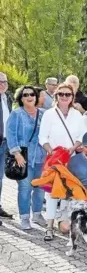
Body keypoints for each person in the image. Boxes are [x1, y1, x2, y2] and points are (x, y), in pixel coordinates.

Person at [38, 83, 85, 241]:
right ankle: (49, 227)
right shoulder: (49, 114)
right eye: (61, 94)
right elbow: (42, 137)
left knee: (68, 192)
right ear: (56, 96)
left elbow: (81, 136)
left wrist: (73, 148)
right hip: (54, 159)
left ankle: (64, 220)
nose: (64, 97)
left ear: (72, 97)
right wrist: (51, 151)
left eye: (68, 94)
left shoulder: (77, 115)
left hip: (71, 159)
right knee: (52, 193)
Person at [6, 86, 46, 229]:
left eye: (32, 94)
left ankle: (37, 214)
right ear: (21, 98)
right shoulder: (17, 114)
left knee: (40, 188)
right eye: (25, 95)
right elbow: (11, 135)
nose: (29, 97)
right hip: (24, 157)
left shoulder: (43, 113)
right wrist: (16, 154)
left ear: (36, 97)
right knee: (25, 188)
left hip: (41, 157)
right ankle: (24, 217)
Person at [0, 72, 13, 219]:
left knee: (0, 178)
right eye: (0, 81)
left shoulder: (7, 98)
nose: (2, 84)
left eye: (5, 81)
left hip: (5, 143)